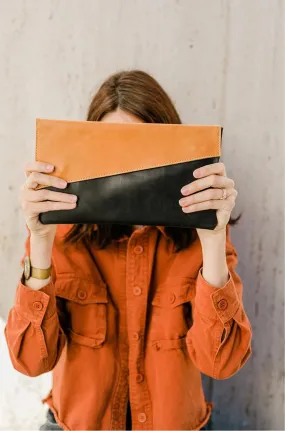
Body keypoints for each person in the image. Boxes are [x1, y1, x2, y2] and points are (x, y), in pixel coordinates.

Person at [5, 70, 252, 431]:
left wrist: (212, 239)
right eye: (112, 150)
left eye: (142, 150)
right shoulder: (61, 233)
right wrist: (40, 239)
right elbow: (30, 361)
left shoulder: (199, 238)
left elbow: (222, 363)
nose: (128, 170)